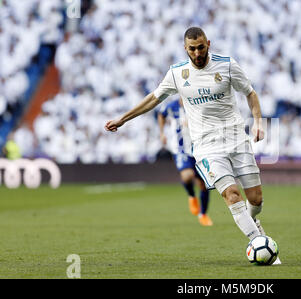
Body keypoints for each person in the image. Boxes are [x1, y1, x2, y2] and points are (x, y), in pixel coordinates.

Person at [105, 27, 280, 264]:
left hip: (237, 138)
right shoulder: (178, 73)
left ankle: (254, 224)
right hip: (206, 145)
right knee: (231, 194)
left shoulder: (227, 65)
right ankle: (258, 241)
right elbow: (154, 98)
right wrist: (122, 119)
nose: (197, 53)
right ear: (185, 48)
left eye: (201, 47)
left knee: (256, 199)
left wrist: (258, 122)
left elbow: (250, 93)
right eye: (192, 49)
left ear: (208, 43)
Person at [158, 98, 213, 226]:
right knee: (187, 176)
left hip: (199, 149)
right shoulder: (172, 106)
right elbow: (161, 115)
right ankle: (191, 195)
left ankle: (203, 214)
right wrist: (161, 133)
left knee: (203, 183)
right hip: (180, 149)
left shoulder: (198, 105)